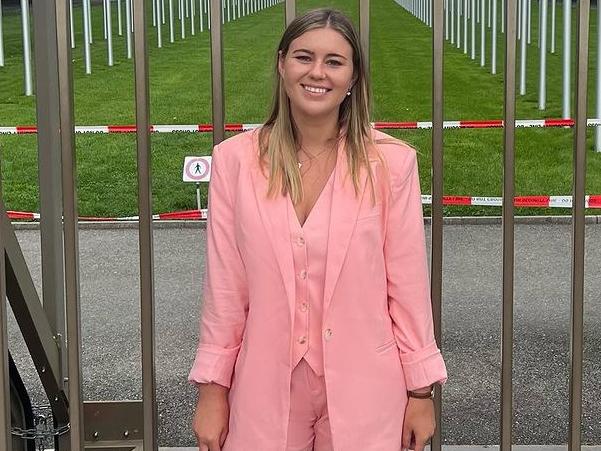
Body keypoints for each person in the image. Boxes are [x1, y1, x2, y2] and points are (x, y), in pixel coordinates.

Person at [189, 8, 447, 451]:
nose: (317, 73)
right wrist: (214, 388)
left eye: (334, 61)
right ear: (281, 64)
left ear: (353, 78)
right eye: (304, 57)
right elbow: (226, 288)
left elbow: (406, 285)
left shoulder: (392, 164)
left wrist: (420, 391)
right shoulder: (233, 161)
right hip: (265, 383)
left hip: (367, 383)